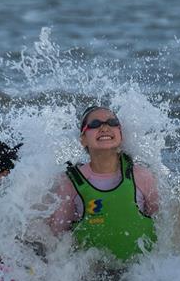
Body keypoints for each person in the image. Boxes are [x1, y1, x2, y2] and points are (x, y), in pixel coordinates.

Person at [49, 106, 159, 261]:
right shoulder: (71, 183)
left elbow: (163, 227)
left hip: (139, 275)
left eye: (112, 123)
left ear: (121, 134)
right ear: (83, 139)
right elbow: (57, 238)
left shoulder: (142, 176)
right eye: (95, 124)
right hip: (92, 276)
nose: (105, 127)